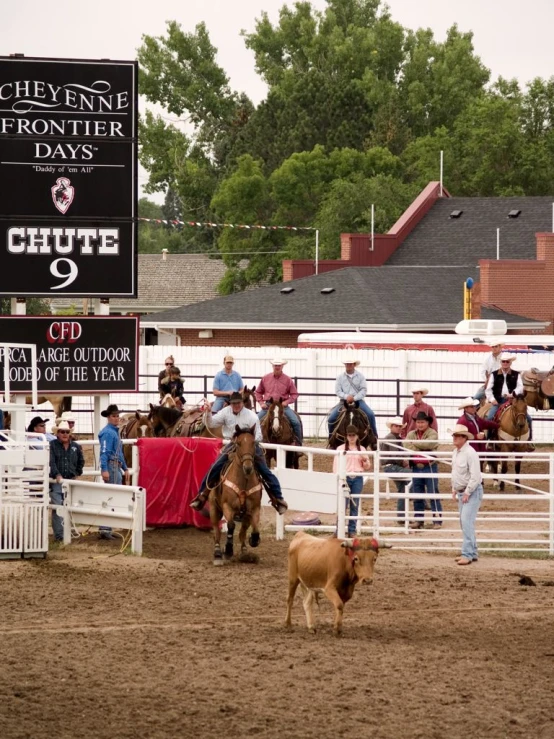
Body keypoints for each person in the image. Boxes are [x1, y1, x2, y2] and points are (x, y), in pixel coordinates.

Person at [190, 392, 288, 514]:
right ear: (230, 404)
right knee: (215, 467)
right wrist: (208, 412)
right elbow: (210, 423)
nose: (236, 405)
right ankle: (202, 496)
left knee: (265, 470)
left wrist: (246, 440)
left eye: (238, 403)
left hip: (250, 445)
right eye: (234, 403)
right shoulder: (225, 412)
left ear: (242, 403)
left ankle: (278, 498)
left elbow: (258, 436)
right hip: (233, 445)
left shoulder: (251, 416)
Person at [451, 424, 483, 565]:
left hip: (471, 491)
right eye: (454, 435)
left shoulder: (470, 453)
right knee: (465, 523)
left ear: (464, 438)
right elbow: (456, 472)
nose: (455, 438)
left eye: (458, 436)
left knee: (466, 522)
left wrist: (467, 491)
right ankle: (472, 552)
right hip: (463, 491)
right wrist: (454, 488)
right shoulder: (456, 452)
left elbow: (475, 476)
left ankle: (467, 554)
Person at [404, 411, 441, 529]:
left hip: (429, 466)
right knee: (417, 494)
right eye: (418, 422)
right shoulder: (411, 434)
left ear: (427, 423)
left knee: (433, 492)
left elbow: (429, 444)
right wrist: (422, 447)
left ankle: (437, 520)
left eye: (422, 422)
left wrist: (414, 444)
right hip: (416, 466)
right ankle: (419, 520)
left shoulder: (433, 433)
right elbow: (406, 445)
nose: (420, 424)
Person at [49, 420, 84, 542]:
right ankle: (60, 535)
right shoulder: (52, 445)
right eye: (62, 432)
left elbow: (81, 461)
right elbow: (51, 462)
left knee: (68, 506)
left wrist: (77, 473)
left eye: (66, 432)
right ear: (57, 433)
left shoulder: (75, 446)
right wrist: (57, 474)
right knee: (58, 506)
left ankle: (65, 532)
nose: (64, 434)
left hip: (69, 481)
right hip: (58, 482)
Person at [333, 425, 371, 536]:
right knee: (342, 505)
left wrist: (365, 461)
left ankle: (351, 530)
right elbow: (336, 465)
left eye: (353, 435)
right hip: (345, 477)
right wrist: (338, 477)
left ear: (357, 436)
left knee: (354, 504)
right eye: (349, 435)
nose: (351, 437)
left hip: (357, 477)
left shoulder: (362, 450)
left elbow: (367, 466)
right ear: (346, 436)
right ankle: (339, 529)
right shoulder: (340, 449)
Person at [98, 403, 130, 540]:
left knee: (112, 496)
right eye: (114, 416)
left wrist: (125, 467)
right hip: (111, 466)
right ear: (109, 417)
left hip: (115, 466)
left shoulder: (112, 432)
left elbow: (118, 453)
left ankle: (106, 528)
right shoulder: (108, 433)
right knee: (111, 496)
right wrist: (104, 469)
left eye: (117, 416)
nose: (116, 418)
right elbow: (104, 452)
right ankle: (105, 528)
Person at [328, 357, 378, 439]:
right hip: (343, 401)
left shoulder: (360, 376)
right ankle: (331, 439)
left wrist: (354, 398)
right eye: (347, 364)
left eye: (350, 364)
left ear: (354, 365)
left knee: (370, 414)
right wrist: (346, 397)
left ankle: (374, 438)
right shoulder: (340, 377)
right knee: (331, 418)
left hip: (358, 401)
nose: (348, 365)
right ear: (345, 365)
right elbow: (338, 391)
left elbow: (363, 390)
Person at [255, 359, 303, 444]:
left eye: (279, 366)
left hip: (282, 405)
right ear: (272, 366)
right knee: (255, 421)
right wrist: (261, 403)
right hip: (269, 405)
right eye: (275, 365)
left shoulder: (288, 379)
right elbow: (258, 392)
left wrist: (286, 402)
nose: (277, 367)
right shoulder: (265, 378)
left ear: (282, 366)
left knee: (296, 422)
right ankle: (254, 445)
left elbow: (294, 394)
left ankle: (298, 445)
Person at [380, 417, 410, 524]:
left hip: (391, 466)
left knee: (403, 489)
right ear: (391, 427)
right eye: (396, 426)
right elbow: (395, 456)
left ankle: (401, 517)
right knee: (413, 476)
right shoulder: (392, 438)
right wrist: (404, 462)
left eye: (399, 426)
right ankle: (421, 500)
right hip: (392, 466)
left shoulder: (395, 438)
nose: (398, 428)